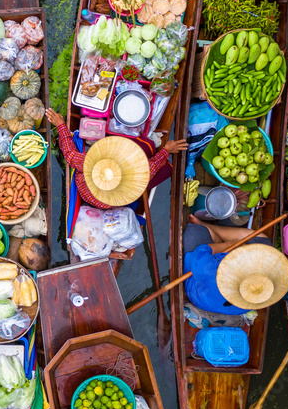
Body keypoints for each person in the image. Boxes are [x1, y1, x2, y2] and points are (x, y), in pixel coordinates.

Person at [47, 108, 188, 210]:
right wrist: (166, 150)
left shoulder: (88, 165)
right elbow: (150, 167)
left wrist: (61, 125)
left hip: (106, 196)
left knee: (152, 153)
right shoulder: (131, 181)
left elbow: (69, 153)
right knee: (162, 163)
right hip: (123, 190)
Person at [182, 215, 273, 316]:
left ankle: (207, 229)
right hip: (221, 292)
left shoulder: (211, 269)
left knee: (194, 231)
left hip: (198, 287)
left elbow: (202, 251)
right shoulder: (261, 291)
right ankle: (209, 228)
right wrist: (240, 247)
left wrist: (229, 245)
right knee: (263, 242)